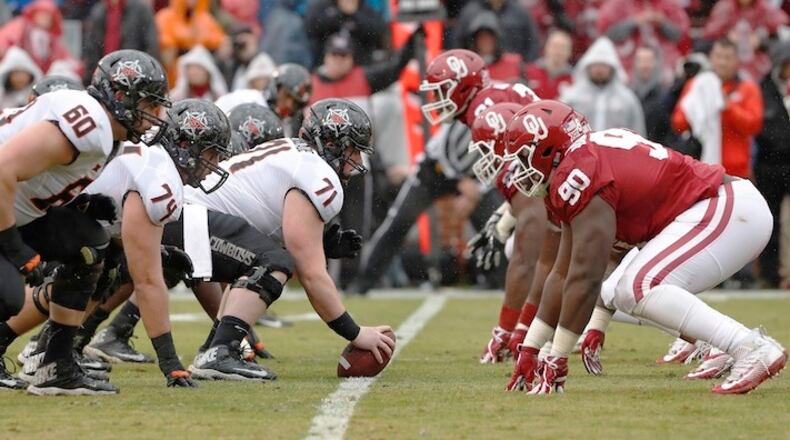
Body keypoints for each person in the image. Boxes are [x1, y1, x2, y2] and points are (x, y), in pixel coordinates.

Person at [503, 99, 786, 395]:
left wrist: (556, 359)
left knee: (638, 287)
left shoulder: (581, 172)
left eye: (524, 157)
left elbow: (584, 278)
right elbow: (562, 274)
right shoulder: (585, 161)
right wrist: (531, 348)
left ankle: (749, 346)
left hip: (725, 207)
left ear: (549, 149)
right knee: (624, 292)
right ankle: (723, 345)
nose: (520, 168)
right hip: (723, 211)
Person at [184, 99, 394, 380]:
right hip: (190, 221)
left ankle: (216, 347)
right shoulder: (318, 174)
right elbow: (311, 274)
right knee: (276, 262)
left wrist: (320, 242)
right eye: (353, 150)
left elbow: (264, 222)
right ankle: (221, 352)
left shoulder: (294, 152)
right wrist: (355, 333)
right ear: (332, 144)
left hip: (184, 217)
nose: (357, 161)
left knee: (257, 260)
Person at [0, 49, 170, 392]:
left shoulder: (106, 133)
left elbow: (39, 176)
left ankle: (56, 367)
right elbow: (3, 167)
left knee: (89, 243)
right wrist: (14, 248)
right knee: (8, 297)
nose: (157, 115)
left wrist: (81, 203)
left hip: (14, 209)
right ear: (120, 96)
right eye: (150, 104)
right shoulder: (90, 124)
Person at [348, 49, 538, 295]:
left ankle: (500, 281)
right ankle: (363, 282)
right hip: (437, 169)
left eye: (443, 89)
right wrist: (465, 186)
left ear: (464, 87)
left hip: (477, 173)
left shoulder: (486, 106)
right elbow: (448, 153)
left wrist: (475, 190)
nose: (438, 97)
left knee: (494, 227)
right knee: (399, 222)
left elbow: (502, 160)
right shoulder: (484, 101)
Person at [672, 38, 763, 178]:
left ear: (737, 61)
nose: (722, 63)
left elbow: (754, 126)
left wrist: (728, 107)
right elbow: (678, 124)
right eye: (718, 56)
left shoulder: (748, 88)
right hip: (701, 169)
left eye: (728, 58)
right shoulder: (697, 85)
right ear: (710, 58)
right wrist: (698, 110)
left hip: (735, 172)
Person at [754, 40, 790, 288]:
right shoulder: (764, 89)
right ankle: (770, 274)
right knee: (770, 222)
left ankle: (785, 273)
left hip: (784, 163)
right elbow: (762, 129)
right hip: (770, 166)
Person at [561, 37, 646, 135]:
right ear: (588, 67)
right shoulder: (572, 96)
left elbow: (638, 133)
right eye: (596, 65)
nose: (599, 70)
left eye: (604, 66)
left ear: (612, 69)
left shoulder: (627, 99)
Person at [597, 0, 689, 84]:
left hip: (664, 70)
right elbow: (606, 35)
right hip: (626, 71)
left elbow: (680, 36)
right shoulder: (617, 3)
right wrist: (634, 22)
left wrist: (662, 23)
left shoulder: (669, 3)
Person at [702, 0, 788, 80]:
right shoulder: (725, 7)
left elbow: (782, 31)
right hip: (728, 65)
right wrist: (726, 36)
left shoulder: (765, 7)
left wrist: (762, 42)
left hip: (760, 68)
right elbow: (707, 37)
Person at [81, 0, 160, 84]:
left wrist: (146, 75)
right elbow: (92, 49)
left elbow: (151, 45)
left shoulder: (140, 9)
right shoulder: (99, 10)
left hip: (133, 74)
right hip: (106, 75)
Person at [304, 0, 386, 68]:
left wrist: (355, 15)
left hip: (358, 67)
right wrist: (338, 14)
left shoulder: (366, 10)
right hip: (325, 66)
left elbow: (377, 33)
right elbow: (310, 28)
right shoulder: (323, 7)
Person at [0, 0, 76, 73]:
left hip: (40, 76)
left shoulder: (51, 38)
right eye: (42, 14)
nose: (44, 18)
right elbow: (4, 39)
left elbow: (64, 57)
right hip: (17, 71)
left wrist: (72, 65)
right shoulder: (21, 25)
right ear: (35, 13)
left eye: (48, 16)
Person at [454, 0, 540, 62]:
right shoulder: (470, 11)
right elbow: (458, 43)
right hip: (476, 67)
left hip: (512, 70)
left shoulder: (519, 11)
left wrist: (523, 67)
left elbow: (533, 42)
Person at [630, 45, 670, 144]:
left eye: (648, 61)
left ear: (656, 64)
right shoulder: (627, 95)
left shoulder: (665, 96)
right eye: (641, 60)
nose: (645, 66)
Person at [524, 29, 574, 100]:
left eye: (563, 48)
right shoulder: (528, 71)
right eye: (554, 46)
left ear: (570, 52)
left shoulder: (574, 79)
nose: (558, 51)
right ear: (546, 47)